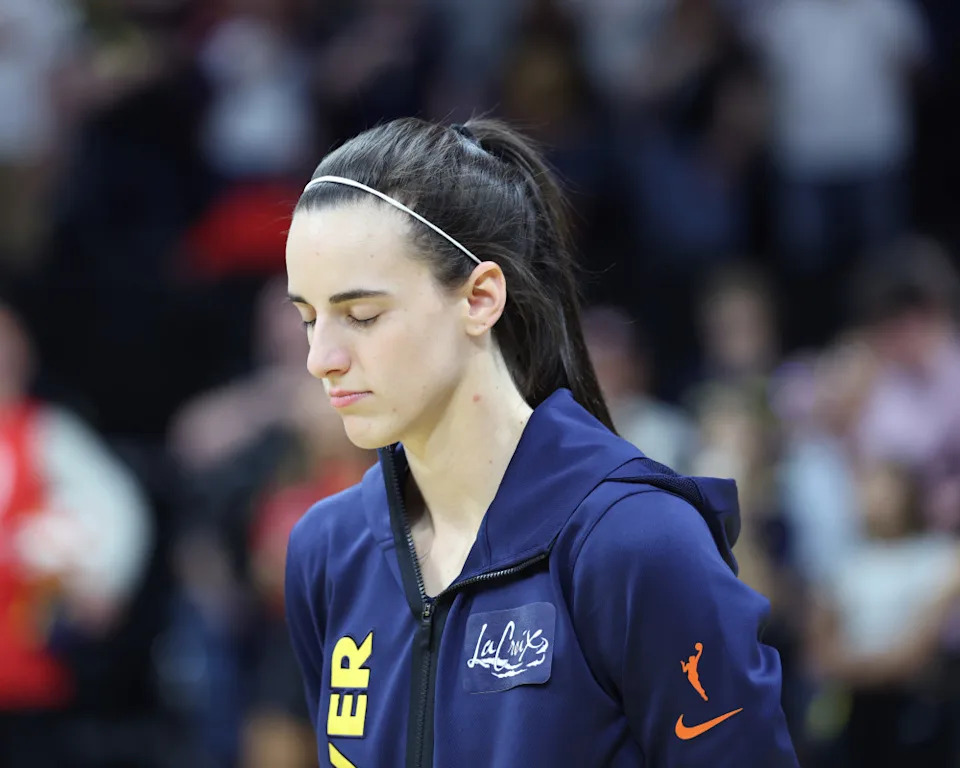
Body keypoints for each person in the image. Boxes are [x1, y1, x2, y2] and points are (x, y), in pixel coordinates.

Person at [283, 117, 798, 767]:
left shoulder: (638, 540)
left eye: (361, 315)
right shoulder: (328, 549)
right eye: (307, 318)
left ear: (479, 298)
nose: (320, 357)